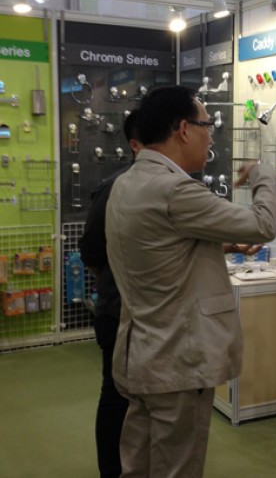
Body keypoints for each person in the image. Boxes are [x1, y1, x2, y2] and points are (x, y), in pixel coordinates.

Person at [105, 85, 276, 478]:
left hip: (141, 354)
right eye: (207, 126)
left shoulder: (128, 183)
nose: (210, 137)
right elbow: (263, 224)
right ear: (183, 129)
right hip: (177, 360)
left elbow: (158, 249)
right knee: (176, 468)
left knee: (138, 465)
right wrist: (264, 173)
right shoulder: (175, 189)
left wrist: (219, 245)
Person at [79, 109, 143, 478]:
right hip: (118, 313)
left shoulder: (180, 187)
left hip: (149, 317)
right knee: (117, 397)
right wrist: (117, 281)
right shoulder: (114, 188)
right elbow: (90, 252)